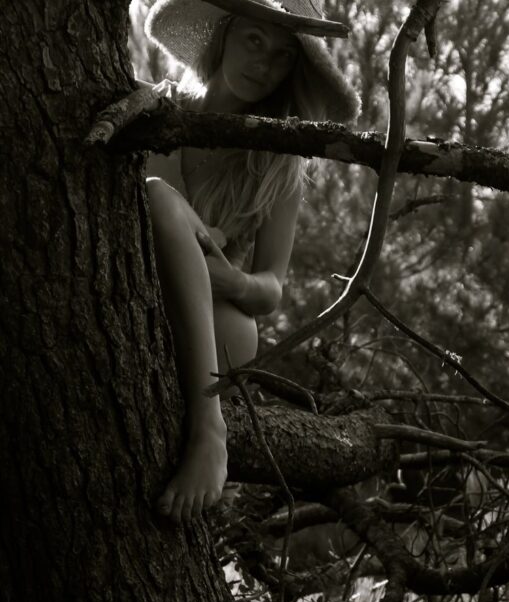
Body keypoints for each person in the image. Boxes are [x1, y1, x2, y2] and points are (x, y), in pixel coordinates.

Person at [142, 0, 360, 523]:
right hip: (136, 292)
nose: (263, 64)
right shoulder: (154, 108)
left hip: (220, 327)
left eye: (283, 55)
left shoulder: (276, 159)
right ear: (225, 33)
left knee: (158, 197)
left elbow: (271, 288)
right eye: (254, 40)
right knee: (158, 196)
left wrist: (228, 278)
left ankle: (210, 429)